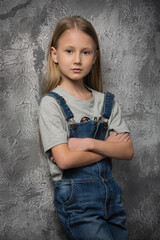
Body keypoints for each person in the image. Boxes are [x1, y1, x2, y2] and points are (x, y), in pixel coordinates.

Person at [39, 16, 134, 240]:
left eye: (86, 52)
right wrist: (107, 147)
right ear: (55, 55)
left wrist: (88, 143)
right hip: (78, 201)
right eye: (69, 51)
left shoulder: (106, 102)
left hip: (112, 199)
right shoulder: (51, 103)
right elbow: (65, 160)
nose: (77, 60)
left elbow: (128, 151)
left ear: (95, 57)